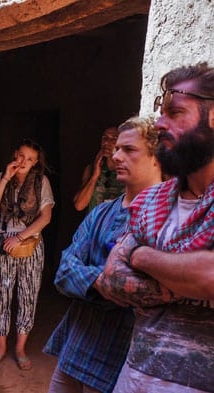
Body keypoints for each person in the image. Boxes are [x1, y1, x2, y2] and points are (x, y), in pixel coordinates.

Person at [97, 62, 214, 392]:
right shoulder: (152, 200)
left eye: (175, 112)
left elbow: (209, 277)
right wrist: (185, 279)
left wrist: (140, 254)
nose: (160, 124)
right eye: (160, 113)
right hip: (135, 376)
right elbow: (110, 280)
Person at [44, 117, 162, 393]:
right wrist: (102, 280)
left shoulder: (165, 218)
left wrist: (91, 281)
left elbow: (144, 291)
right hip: (78, 340)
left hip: (123, 350)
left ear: (157, 158)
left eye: (129, 150)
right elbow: (64, 270)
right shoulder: (102, 212)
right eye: (116, 148)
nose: (117, 155)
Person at [0, 139, 54, 370]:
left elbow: (45, 217)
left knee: (28, 295)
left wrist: (20, 237)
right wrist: (6, 177)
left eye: (30, 159)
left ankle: (20, 348)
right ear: (15, 154)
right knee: (2, 295)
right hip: (3, 244)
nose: (24, 161)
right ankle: (2, 346)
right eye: (22, 155)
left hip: (30, 244)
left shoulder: (40, 181)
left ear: (36, 163)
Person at [73, 127, 122, 212]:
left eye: (114, 138)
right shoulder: (92, 168)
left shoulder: (129, 170)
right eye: (105, 138)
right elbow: (79, 205)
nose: (107, 143)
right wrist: (95, 175)